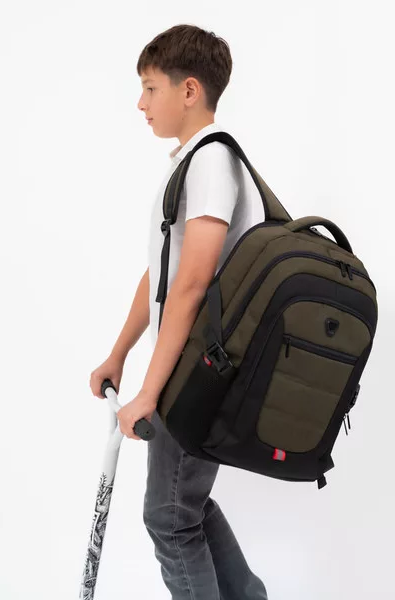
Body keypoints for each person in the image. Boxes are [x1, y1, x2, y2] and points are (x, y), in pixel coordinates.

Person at [90, 23, 269, 600]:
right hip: (187, 365)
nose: (141, 103)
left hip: (197, 372)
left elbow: (191, 285)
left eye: (150, 88)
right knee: (184, 506)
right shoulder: (190, 163)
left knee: (170, 519)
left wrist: (149, 392)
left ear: (189, 90)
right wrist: (119, 354)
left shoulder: (211, 161)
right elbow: (162, 272)